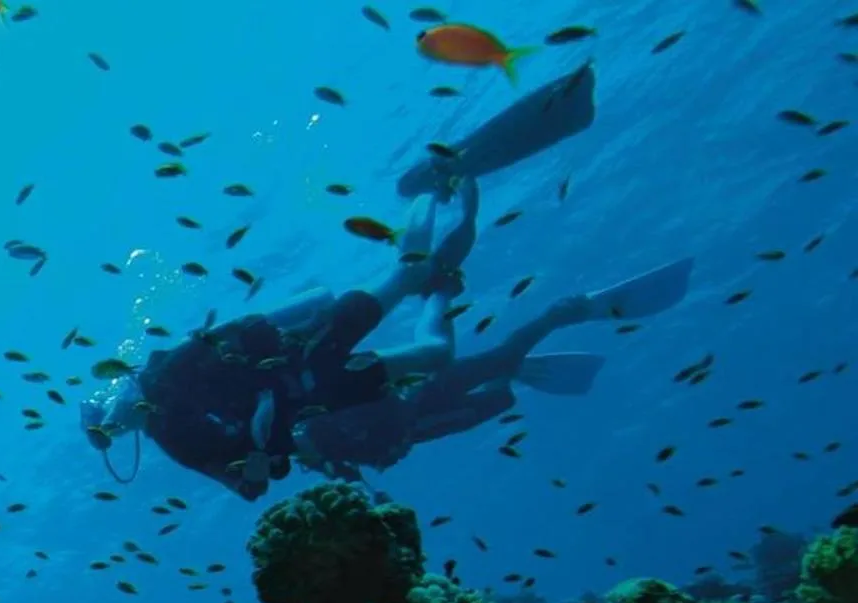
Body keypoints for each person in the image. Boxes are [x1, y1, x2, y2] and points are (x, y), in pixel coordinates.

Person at [81, 62, 600, 501]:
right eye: (113, 429)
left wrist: (270, 388)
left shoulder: (170, 372)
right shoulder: (174, 438)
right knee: (433, 355)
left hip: (307, 348)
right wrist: (260, 459)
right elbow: (247, 485)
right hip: (323, 391)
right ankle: (441, 282)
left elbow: (243, 332)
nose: (122, 420)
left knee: (407, 274)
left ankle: (426, 187)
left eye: (112, 416)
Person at [289, 256, 696, 481]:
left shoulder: (318, 425)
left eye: (300, 457)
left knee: (499, 359)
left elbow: (367, 404)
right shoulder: (329, 453)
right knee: (501, 397)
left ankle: (559, 315)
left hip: (427, 397)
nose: (302, 463)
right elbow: (355, 478)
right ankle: (511, 365)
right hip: (432, 422)